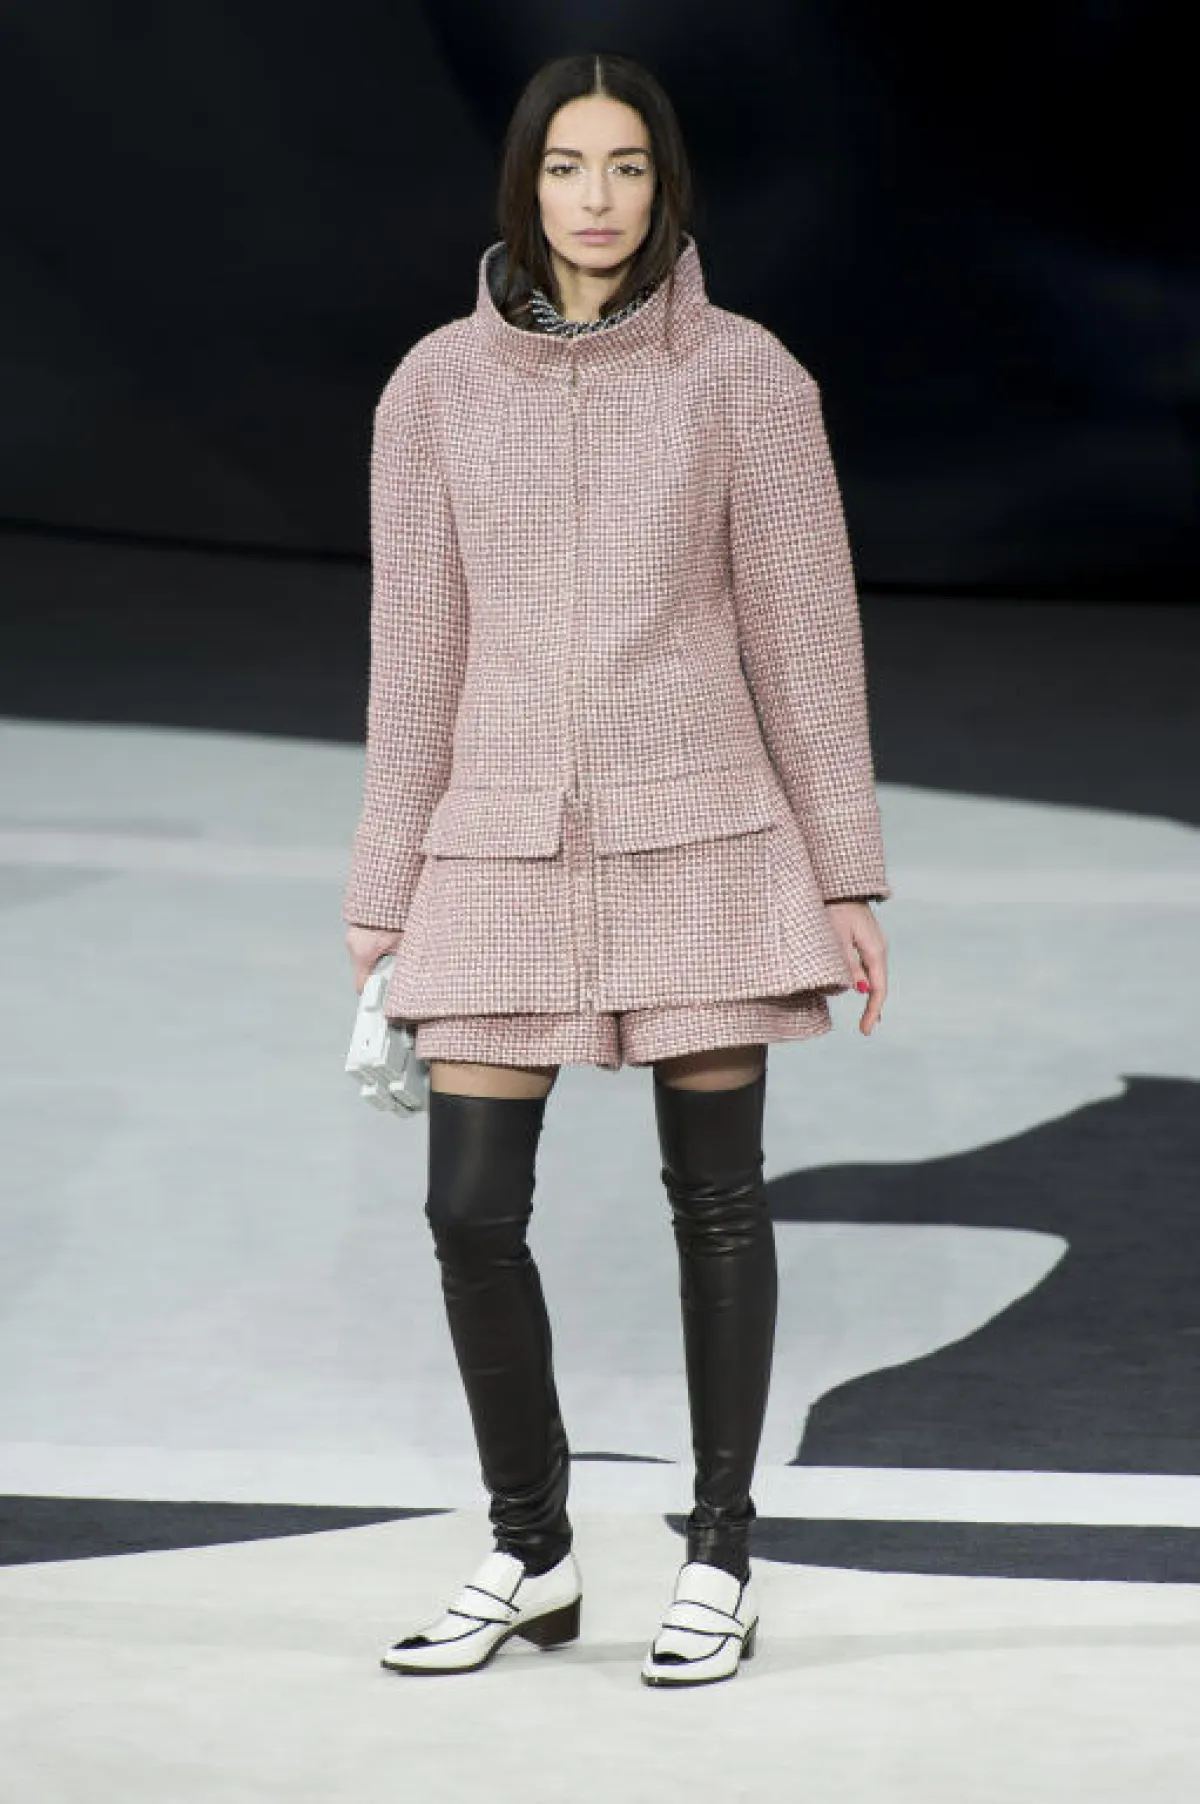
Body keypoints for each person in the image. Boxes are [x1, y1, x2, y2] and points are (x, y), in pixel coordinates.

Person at [342, 49, 891, 1688]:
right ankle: (533, 1551)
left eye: (629, 166)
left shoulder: (746, 378)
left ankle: (720, 1555)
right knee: (467, 1210)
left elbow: (807, 639)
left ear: (667, 186)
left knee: (717, 1201)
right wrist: (382, 888)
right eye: (569, 166)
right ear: (525, 183)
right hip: (496, 841)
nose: (598, 198)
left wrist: (846, 874)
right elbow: (413, 654)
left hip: (706, 838)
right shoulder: (434, 387)